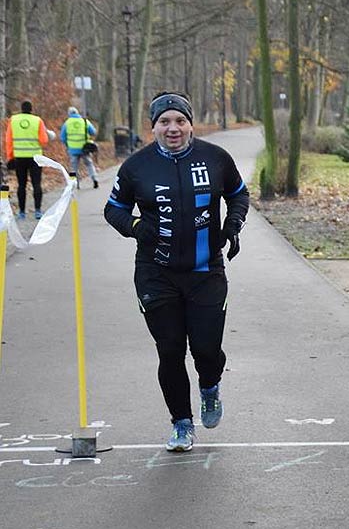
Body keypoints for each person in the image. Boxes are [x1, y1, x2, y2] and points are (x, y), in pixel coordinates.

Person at [104, 91, 249, 452]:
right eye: (164, 122)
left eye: (180, 121)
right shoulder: (137, 167)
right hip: (156, 272)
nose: (173, 128)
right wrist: (136, 226)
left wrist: (233, 224)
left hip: (206, 271)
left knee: (206, 349)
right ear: (153, 127)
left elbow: (239, 194)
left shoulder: (215, 159)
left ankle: (210, 387)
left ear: (190, 124)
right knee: (170, 349)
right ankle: (182, 423)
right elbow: (113, 209)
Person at [5, 100, 49, 219]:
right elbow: (44, 140)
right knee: (36, 184)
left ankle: (22, 212)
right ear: (31, 109)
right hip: (35, 158)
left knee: (21, 185)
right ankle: (38, 211)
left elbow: (8, 141)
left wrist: (10, 157)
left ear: (21, 108)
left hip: (19, 157)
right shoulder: (37, 120)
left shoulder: (13, 120)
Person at [60, 106, 99, 189]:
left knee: (74, 167)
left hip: (72, 149)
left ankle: (75, 184)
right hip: (85, 149)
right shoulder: (85, 121)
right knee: (89, 164)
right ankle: (94, 179)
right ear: (77, 113)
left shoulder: (67, 123)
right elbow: (93, 132)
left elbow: (62, 137)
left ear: (69, 114)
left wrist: (67, 144)